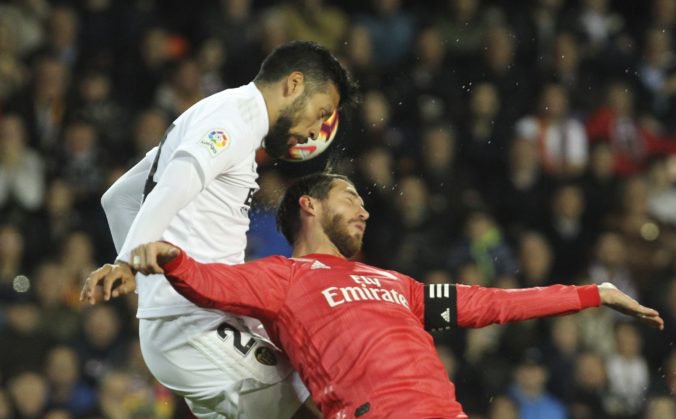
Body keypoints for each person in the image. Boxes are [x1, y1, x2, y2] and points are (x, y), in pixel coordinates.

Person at [129, 173, 664, 419]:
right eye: (351, 197)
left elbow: (493, 303)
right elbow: (212, 282)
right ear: (310, 206)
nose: (364, 210)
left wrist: (593, 292)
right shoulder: (283, 277)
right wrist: (166, 256)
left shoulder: (396, 285)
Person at [80, 41, 358, 419]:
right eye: (320, 112)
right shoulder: (235, 119)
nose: (313, 133)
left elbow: (120, 199)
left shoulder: (217, 114)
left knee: (309, 384)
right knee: (312, 396)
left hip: (201, 320)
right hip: (195, 323)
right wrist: (130, 264)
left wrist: (148, 287)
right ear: (293, 84)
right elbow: (176, 183)